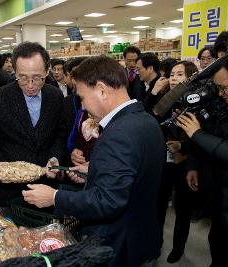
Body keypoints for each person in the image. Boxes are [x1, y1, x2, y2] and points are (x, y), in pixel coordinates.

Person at [22, 56, 165, 267]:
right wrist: (94, 170)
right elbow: (134, 173)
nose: (82, 106)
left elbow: (108, 201)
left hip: (119, 245)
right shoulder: (144, 120)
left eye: (82, 97)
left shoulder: (119, 132)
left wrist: (55, 197)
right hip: (141, 235)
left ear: (101, 90)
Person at [0, 42, 66, 206]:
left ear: (46, 71)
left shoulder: (55, 96)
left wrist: (55, 157)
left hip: (45, 189)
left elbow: (59, 134)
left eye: (37, 77)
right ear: (14, 71)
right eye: (22, 77)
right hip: (9, 192)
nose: (30, 85)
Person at [176, 56, 228, 267]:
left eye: (225, 88)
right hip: (219, 192)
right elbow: (211, 131)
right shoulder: (219, 103)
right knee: (217, 241)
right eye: (219, 89)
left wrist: (196, 134)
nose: (222, 94)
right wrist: (193, 166)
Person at [150, 61, 198, 264]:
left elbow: (202, 138)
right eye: (171, 74)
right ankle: (156, 242)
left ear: (190, 78)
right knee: (159, 205)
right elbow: (147, 117)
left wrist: (182, 146)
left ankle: (178, 247)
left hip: (185, 164)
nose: (173, 78)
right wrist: (153, 93)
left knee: (183, 209)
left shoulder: (197, 102)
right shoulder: (164, 100)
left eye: (179, 74)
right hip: (163, 163)